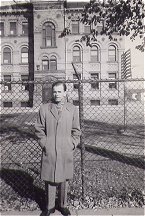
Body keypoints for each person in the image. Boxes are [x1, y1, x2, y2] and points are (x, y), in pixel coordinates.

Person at [35, 81, 81, 216]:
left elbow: (76, 131)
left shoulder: (72, 109)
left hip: (65, 149)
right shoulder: (44, 109)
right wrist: (45, 144)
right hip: (50, 149)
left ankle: (63, 205)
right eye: (54, 92)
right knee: (50, 178)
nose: (57, 94)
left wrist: (72, 144)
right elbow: (39, 130)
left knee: (64, 179)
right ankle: (49, 207)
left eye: (59, 91)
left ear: (65, 93)